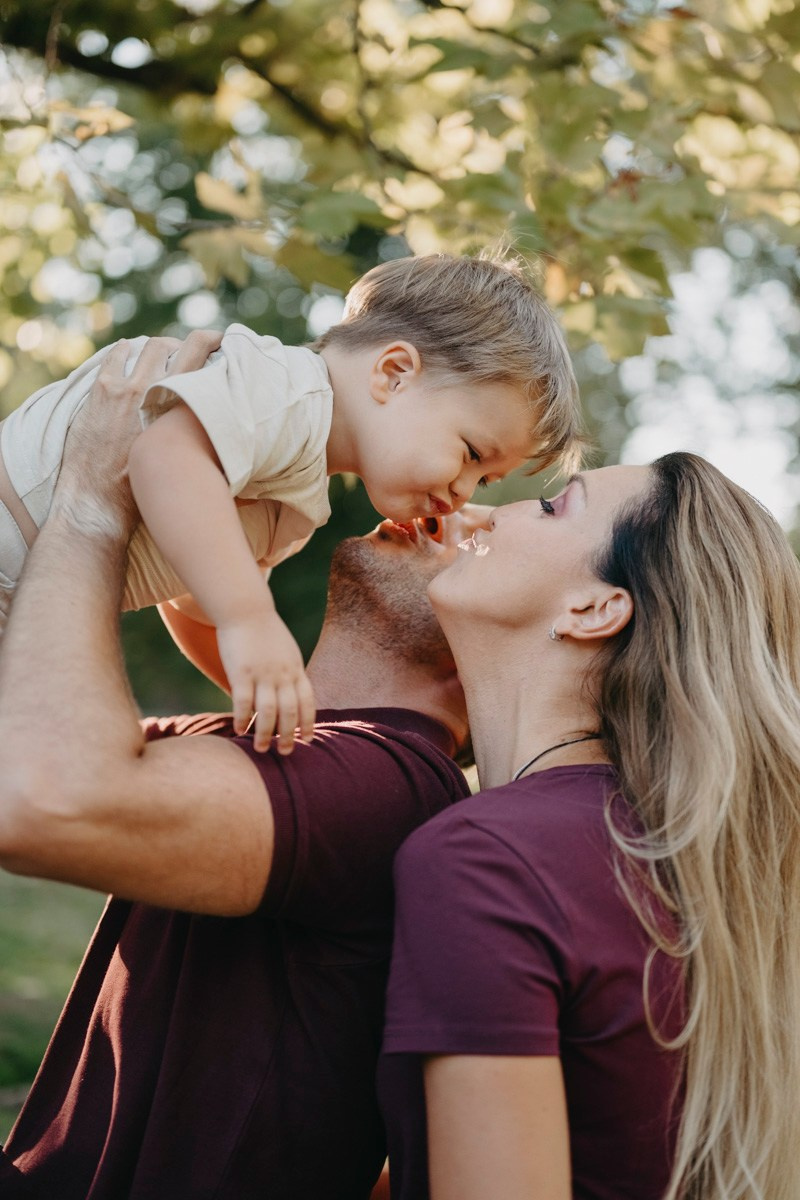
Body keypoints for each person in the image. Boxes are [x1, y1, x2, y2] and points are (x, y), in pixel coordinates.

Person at [0, 338, 494, 1200]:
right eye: (475, 464)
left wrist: (88, 500)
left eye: (501, 527)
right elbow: (39, 737)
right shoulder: (303, 752)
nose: (463, 511)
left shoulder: (388, 783)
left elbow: (39, 796)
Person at [378, 456, 800, 1200]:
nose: (478, 512)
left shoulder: (486, 861)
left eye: (550, 507)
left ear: (594, 610)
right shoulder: (682, 861)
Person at [0, 253, 580, 752]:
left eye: (482, 484)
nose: (462, 493)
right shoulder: (286, 390)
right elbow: (164, 459)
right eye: (473, 453)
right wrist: (250, 619)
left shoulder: (296, 504)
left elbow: (191, 596)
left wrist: (266, 688)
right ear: (395, 373)